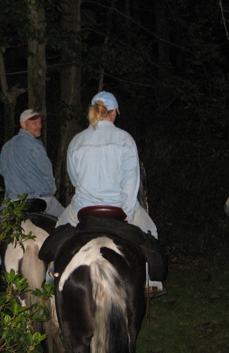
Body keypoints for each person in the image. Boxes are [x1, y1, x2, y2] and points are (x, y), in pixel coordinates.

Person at [56, 91, 165, 297]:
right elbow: (131, 182)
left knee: (59, 228)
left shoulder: (77, 141)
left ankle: (51, 275)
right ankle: (152, 281)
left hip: (84, 209)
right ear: (115, 112)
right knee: (151, 229)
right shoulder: (125, 139)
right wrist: (128, 211)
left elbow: (75, 180)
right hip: (118, 208)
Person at [0, 109, 65, 273]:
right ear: (23, 125)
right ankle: (65, 261)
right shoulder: (36, 146)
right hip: (41, 200)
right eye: (34, 122)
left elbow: (0, 167)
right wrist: (52, 190)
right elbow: (47, 172)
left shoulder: (7, 146)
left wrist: (14, 175)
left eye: (40, 122)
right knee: (69, 221)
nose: (39, 126)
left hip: (13, 203)